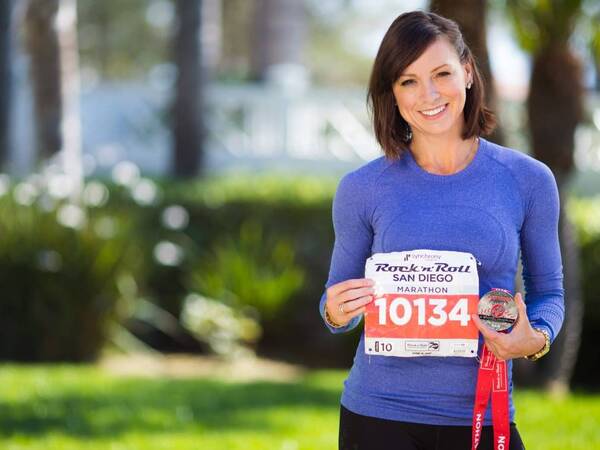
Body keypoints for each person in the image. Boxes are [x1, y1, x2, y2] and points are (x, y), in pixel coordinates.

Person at [319, 10, 564, 450]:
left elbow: (550, 291)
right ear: (392, 94)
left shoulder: (528, 180)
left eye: (442, 73)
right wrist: (337, 310)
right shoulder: (361, 188)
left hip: (484, 416)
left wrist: (535, 339)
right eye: (407, 81)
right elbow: (337, 302)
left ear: (468, 72)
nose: (428, 94)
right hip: (378, 417)